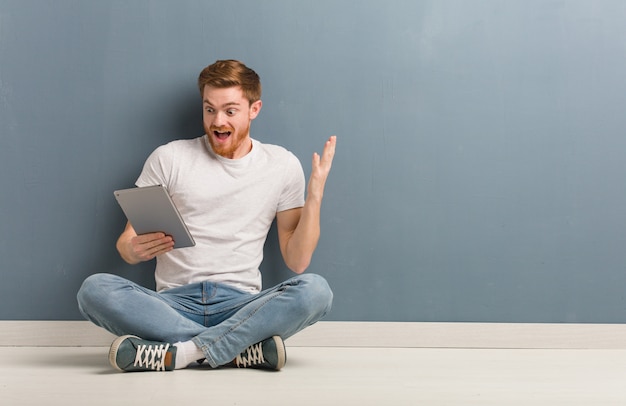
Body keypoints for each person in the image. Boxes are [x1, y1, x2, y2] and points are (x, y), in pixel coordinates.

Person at [77, 60, 336, 372]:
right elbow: (125, 243)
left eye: (230, 110)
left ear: (254, 109)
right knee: (94, 290)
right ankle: (238, 350)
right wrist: (132, 250)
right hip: (172, 304)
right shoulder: (169, 157)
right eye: (209, 109)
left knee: (316, 291)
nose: (217, 120)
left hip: (242, 305)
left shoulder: (281, 165)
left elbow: (298, 261)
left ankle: (182, 353)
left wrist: (315, 196)